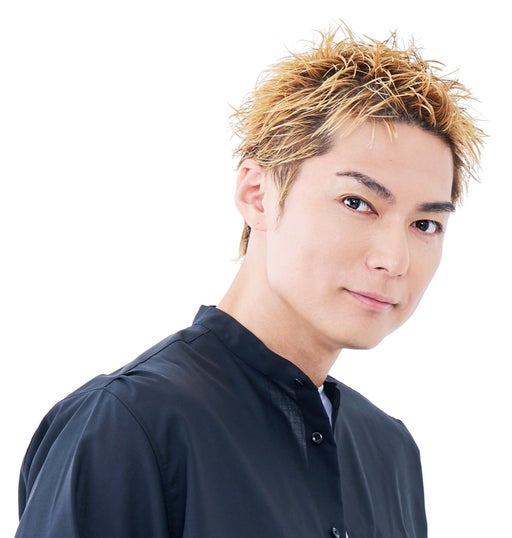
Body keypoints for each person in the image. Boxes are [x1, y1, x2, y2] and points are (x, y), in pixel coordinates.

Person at [15, 25, 484, 538]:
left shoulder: (389, 452)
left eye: (425, 224)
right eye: (357, 203)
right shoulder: (130, 423)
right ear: (257, 194)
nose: (393, 259)